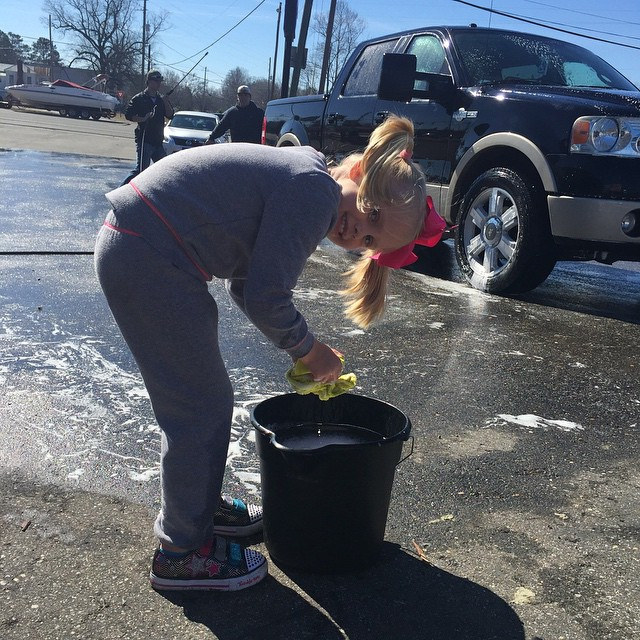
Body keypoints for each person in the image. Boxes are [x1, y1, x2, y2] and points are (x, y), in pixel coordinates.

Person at [94, 115, 444, 591]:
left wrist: (299, 346)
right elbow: (265, 296)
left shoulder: (307, 175)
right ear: (360, 172)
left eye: (369, 240)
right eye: (372, 216)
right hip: (149, 253)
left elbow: (245, 284)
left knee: (204, 399)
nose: (356, 232)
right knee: (198, 407)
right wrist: (310, 349)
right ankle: (179, 551)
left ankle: (198, 508)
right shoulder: (314, 191)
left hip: (142, 242)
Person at [121, 69, 174, 185]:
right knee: (140, 170)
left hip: (158, 142)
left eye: (160, 81)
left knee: (165, 169)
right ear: (149, 81)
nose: (159, 83)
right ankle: (121, 190)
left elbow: (170, 115)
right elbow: (128, 115)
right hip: (145, 140)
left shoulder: (161, 100)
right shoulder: (138, 99)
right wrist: (143, 118)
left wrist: (166, 102)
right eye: (156, 81)